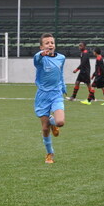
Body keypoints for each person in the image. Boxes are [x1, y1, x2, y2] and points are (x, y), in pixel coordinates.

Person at [34, 33, 66, 164]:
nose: (50, 45)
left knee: (60, 122)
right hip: (42, 96)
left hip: (56, 94)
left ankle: (54, 123)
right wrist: (41, 54)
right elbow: (37, 59)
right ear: (41, 46)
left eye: (52, 42)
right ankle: (49, 153)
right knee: (45, 128)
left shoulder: (62, 58)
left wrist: (63, 87)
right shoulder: (40, 59)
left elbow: (61, 73)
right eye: (46, 43)